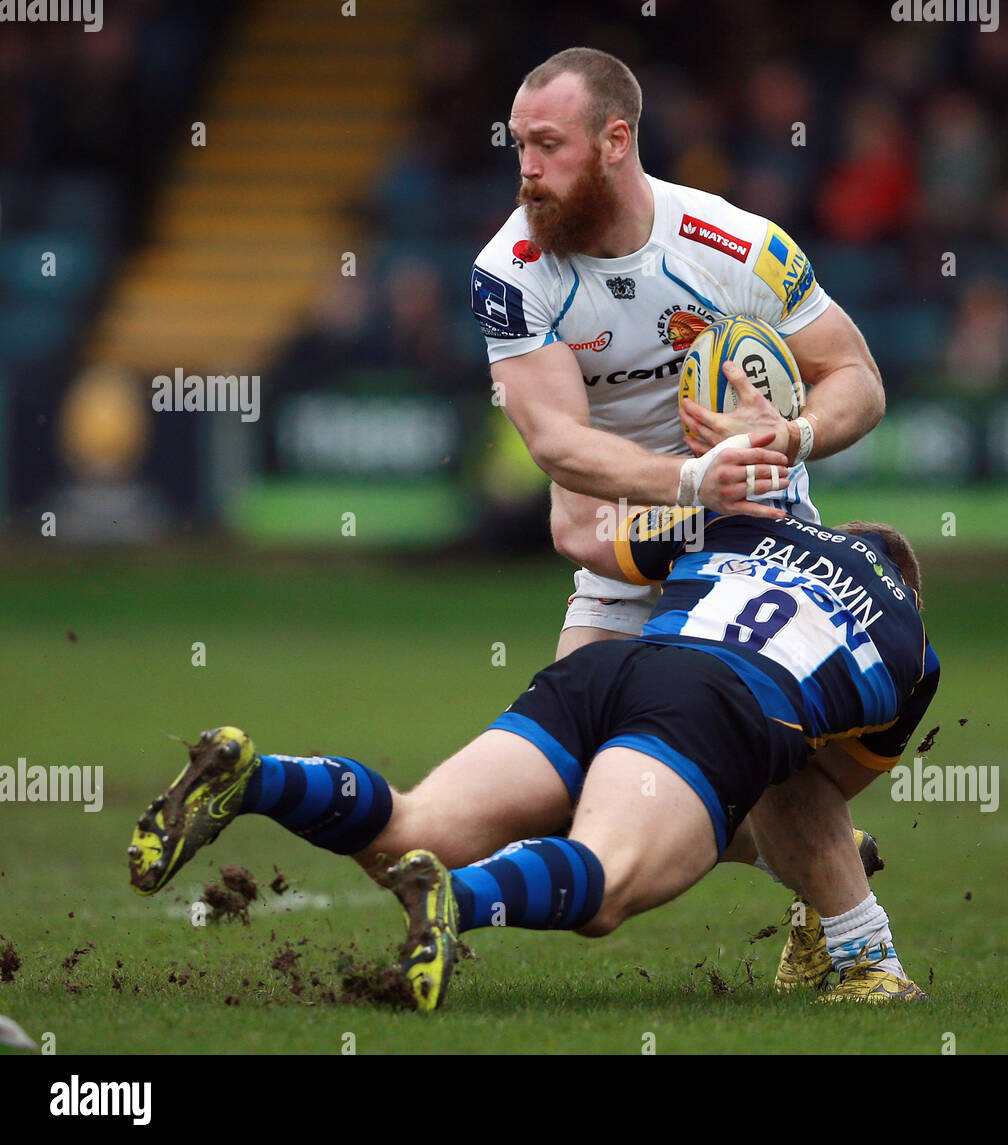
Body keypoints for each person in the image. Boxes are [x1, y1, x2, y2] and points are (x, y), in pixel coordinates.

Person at [125, 490, 939, 1009]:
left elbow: (596, 540)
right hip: (713, 707)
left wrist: (691, 478)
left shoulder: (747, 520)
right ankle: (460, 901)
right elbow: (807, 792)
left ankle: (255, 777)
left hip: (610, 666)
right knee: (607, 882)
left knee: (416, 826)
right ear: (909, 586)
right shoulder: (912, 645)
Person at [468, 46, 890, 981]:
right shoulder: (512, 270)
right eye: (517, 146)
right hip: (626, 543)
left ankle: (862, 947)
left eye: (547, 145)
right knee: (570, 796)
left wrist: (795, 435)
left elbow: (858, 376)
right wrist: (691, 483)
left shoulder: (735, 244)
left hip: (754, 548)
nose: (526, 168)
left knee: (753, 757)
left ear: (616, 141)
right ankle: (820, 867)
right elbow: (559, 450)